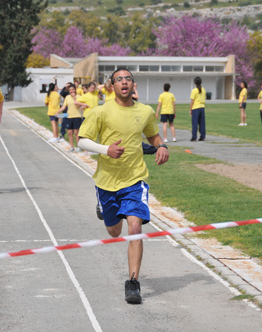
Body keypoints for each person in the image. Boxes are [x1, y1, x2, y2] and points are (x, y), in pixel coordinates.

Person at [78, 68, 169, 305]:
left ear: (133, 84)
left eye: (128, 79)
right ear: (112, 86)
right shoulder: (101, 111)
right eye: (119, 79)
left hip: (134, 180)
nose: (124, 82)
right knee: (114, 232)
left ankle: (133, 283)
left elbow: (153, 136)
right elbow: (82, 141)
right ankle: (104, 209)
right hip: (107, 181)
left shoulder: (146, 111)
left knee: (135, 225)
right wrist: (105, 149)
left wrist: (162, 146)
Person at [57, 85, 82, 152]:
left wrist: (74, 97)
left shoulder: (79, 97)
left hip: (77, 116)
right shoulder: (67, 97)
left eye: (73, 89)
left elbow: (77, 106)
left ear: (75, 89)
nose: (71, 91)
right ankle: (71, 147)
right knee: (69, 133)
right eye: (70, 90)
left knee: (76, 133)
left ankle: (79, 146)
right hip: (69, 116)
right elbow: (64, 106)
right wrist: (58, 111)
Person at [189, 77, 206, 141]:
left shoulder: (194, 90)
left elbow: (192, 101)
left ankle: (194, 136)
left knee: (195, 123)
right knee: (202, 123)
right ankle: (202, 136)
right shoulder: (203, 90)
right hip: (202, 107)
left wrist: (190, 109)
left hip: (195, 108)